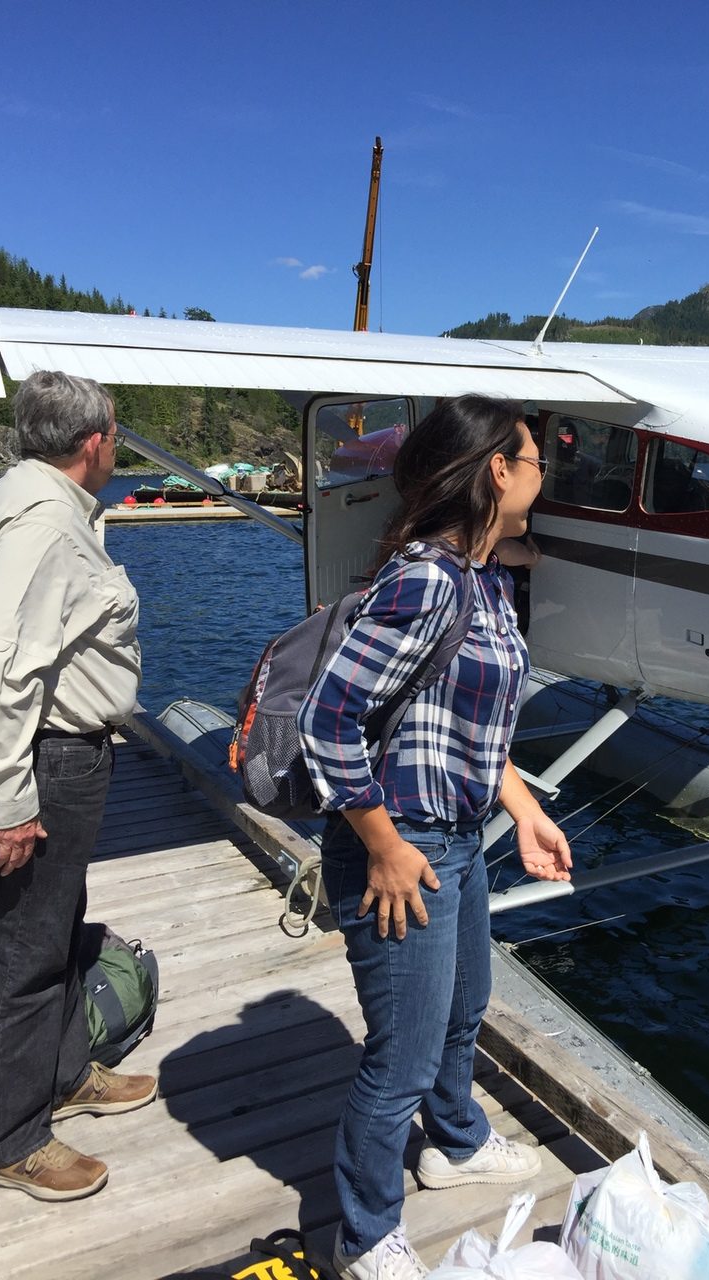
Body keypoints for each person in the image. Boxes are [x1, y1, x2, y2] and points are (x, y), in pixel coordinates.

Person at [297, 395, 572, 1280]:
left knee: (462, 1013)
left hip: (455, 836)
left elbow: (471, 727)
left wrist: (524, 811)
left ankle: (454, 1143)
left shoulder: (484, 580)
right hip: (402, 847)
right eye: (535, 460)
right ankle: (366, 1236)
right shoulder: (428, 581)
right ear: (499, 470)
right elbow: (327, 720)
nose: (542, 474)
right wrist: (380, 845)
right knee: (400, 1060)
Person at [0, 370, 154, 1203]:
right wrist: (11, 800)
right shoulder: (47, 524)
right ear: (94, 444)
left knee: (61, 921)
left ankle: (62, 1073)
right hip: (52, 758)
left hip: (67, 752)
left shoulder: (32, 501)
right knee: (25, 945)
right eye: (116, 435)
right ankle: (7, 1137)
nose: (117, 448)